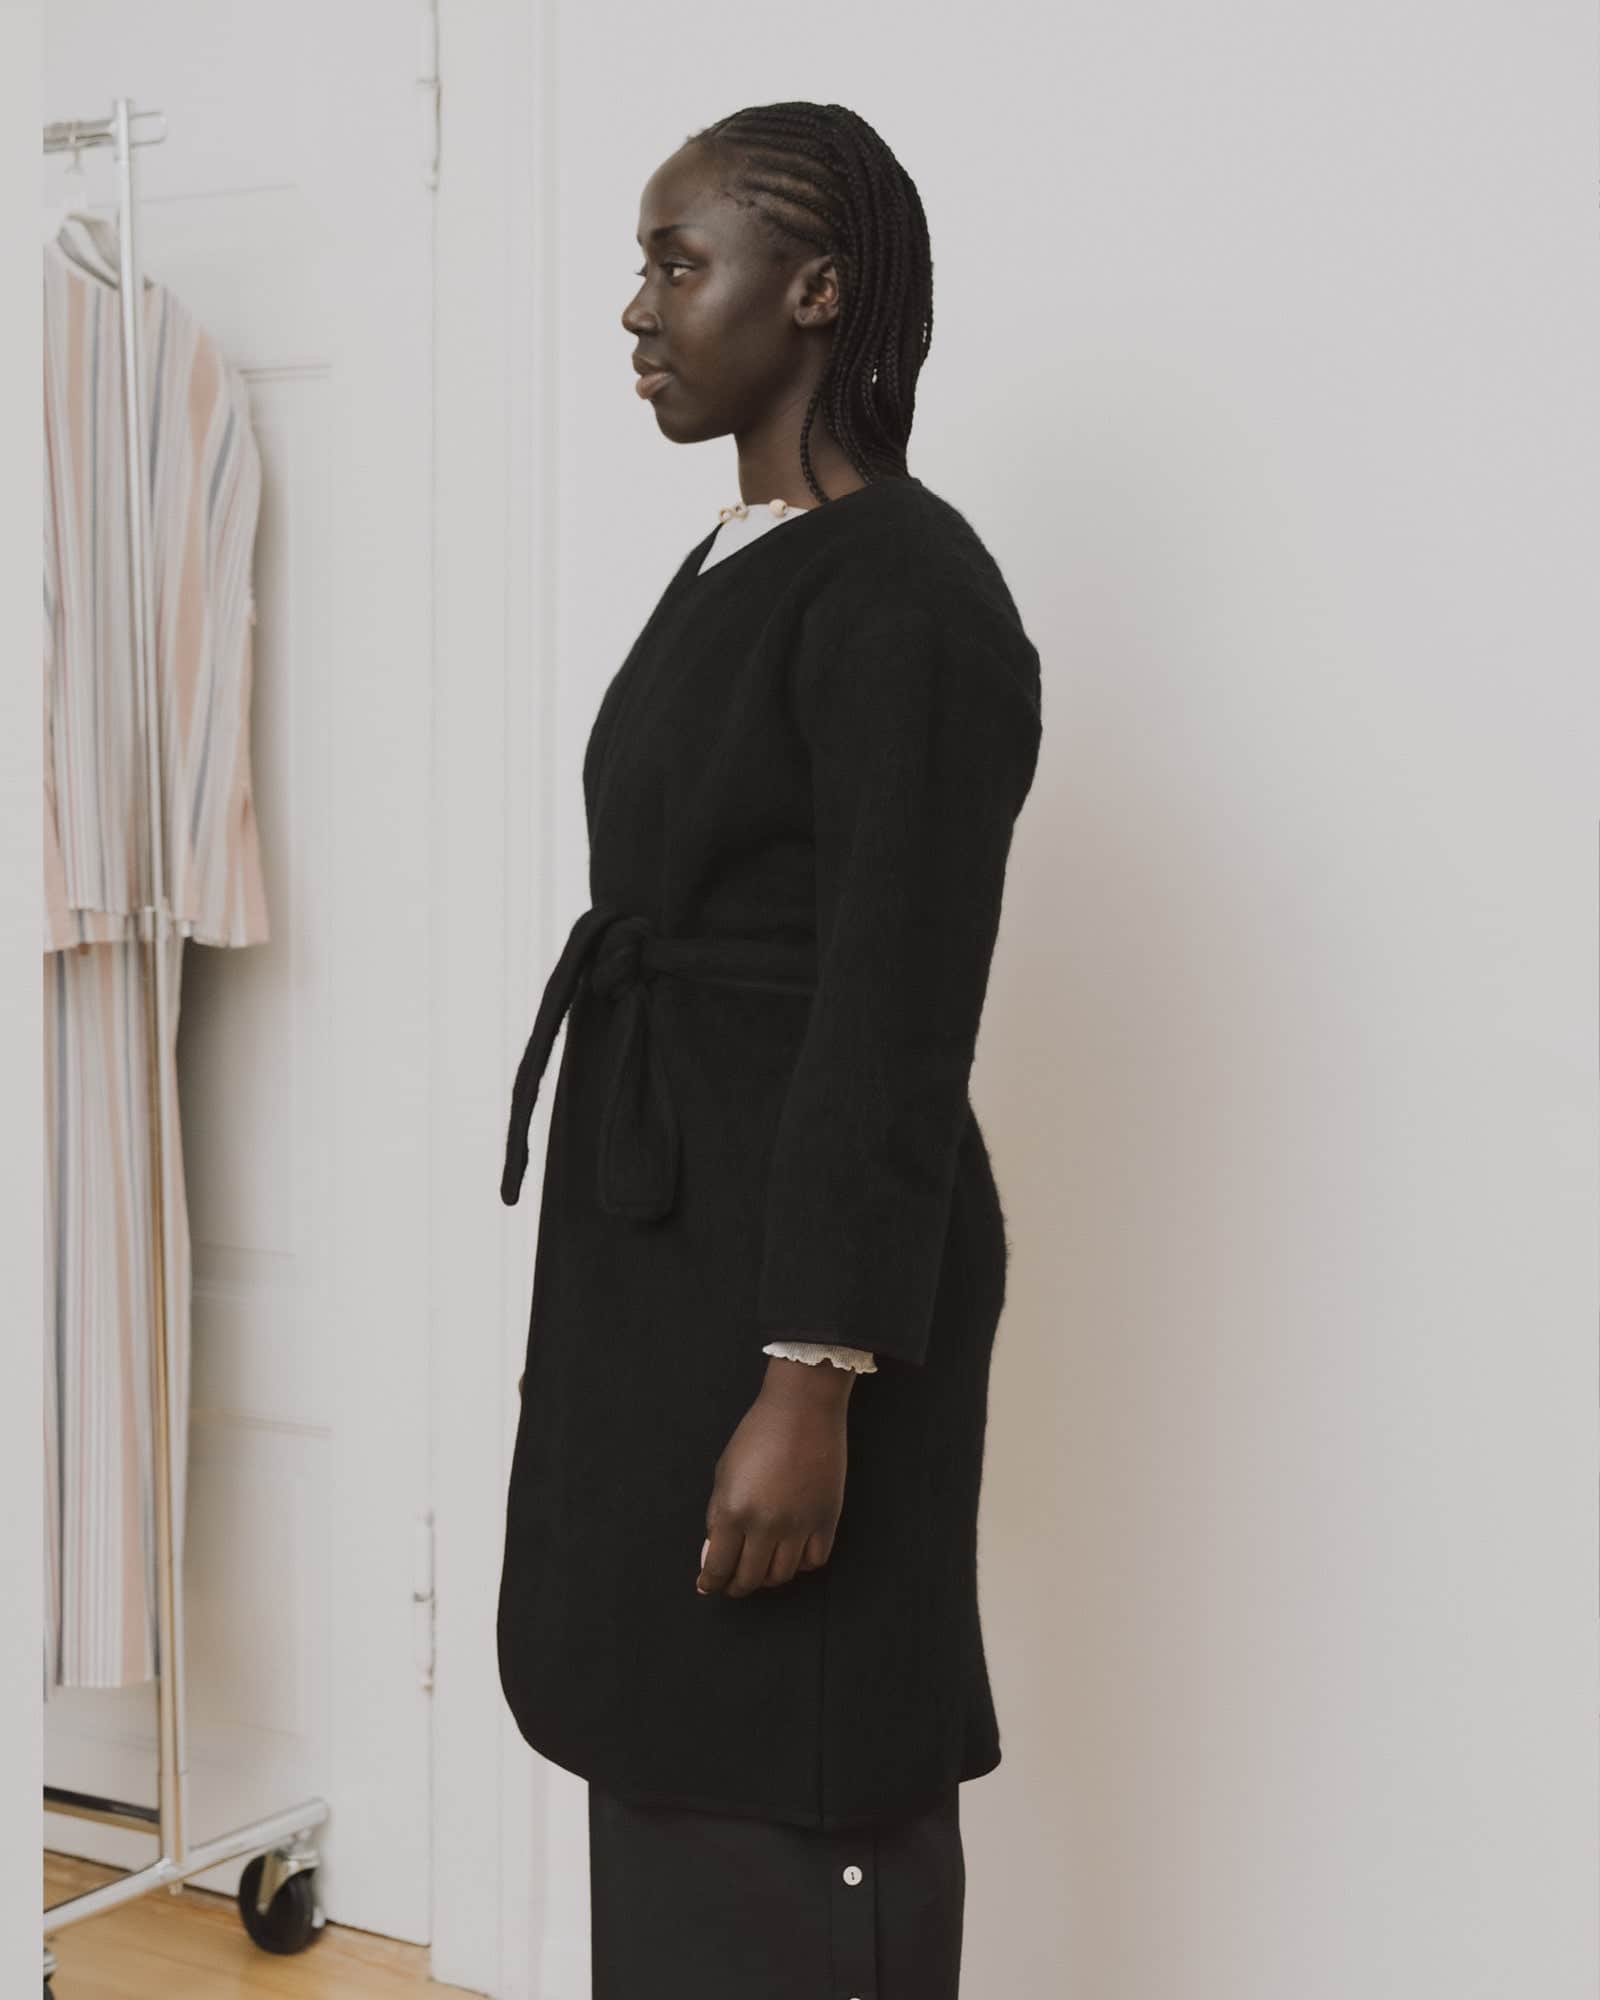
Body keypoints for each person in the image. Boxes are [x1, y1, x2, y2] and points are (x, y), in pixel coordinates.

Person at [497, 101, 1044, 1999]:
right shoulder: (743, 556)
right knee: (671, 1748)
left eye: (679, 262)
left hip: (800, 1288)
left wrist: (813, 1377)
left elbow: (898, 1005)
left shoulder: (913, 593)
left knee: (795, 1767)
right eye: (642, 264)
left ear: (815, 291)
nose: (638, 309)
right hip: (677, 1248)